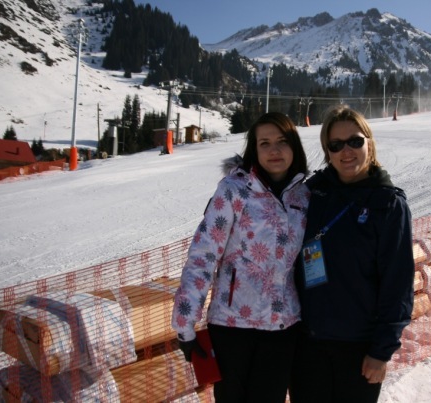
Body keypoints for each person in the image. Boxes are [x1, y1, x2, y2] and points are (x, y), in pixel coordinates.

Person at [171, 112, 310, 403]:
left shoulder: (303, 196)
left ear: (294, 146)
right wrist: (185, 324)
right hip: (232, 326)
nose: (274, 150)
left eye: (282, 141)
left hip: (282, 326)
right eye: (264, 143)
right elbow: (203, 255)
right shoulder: (234, 191)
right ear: (254, 150)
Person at [290, 105, 415, 403]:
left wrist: (381, 351)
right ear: (327, 151)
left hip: (359, 349)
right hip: (307, 345)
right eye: (336, 145)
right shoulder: (311, 195)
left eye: (355, 141)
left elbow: (398, 285)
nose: (346, 151)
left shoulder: (388, 204)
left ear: (369, 143)